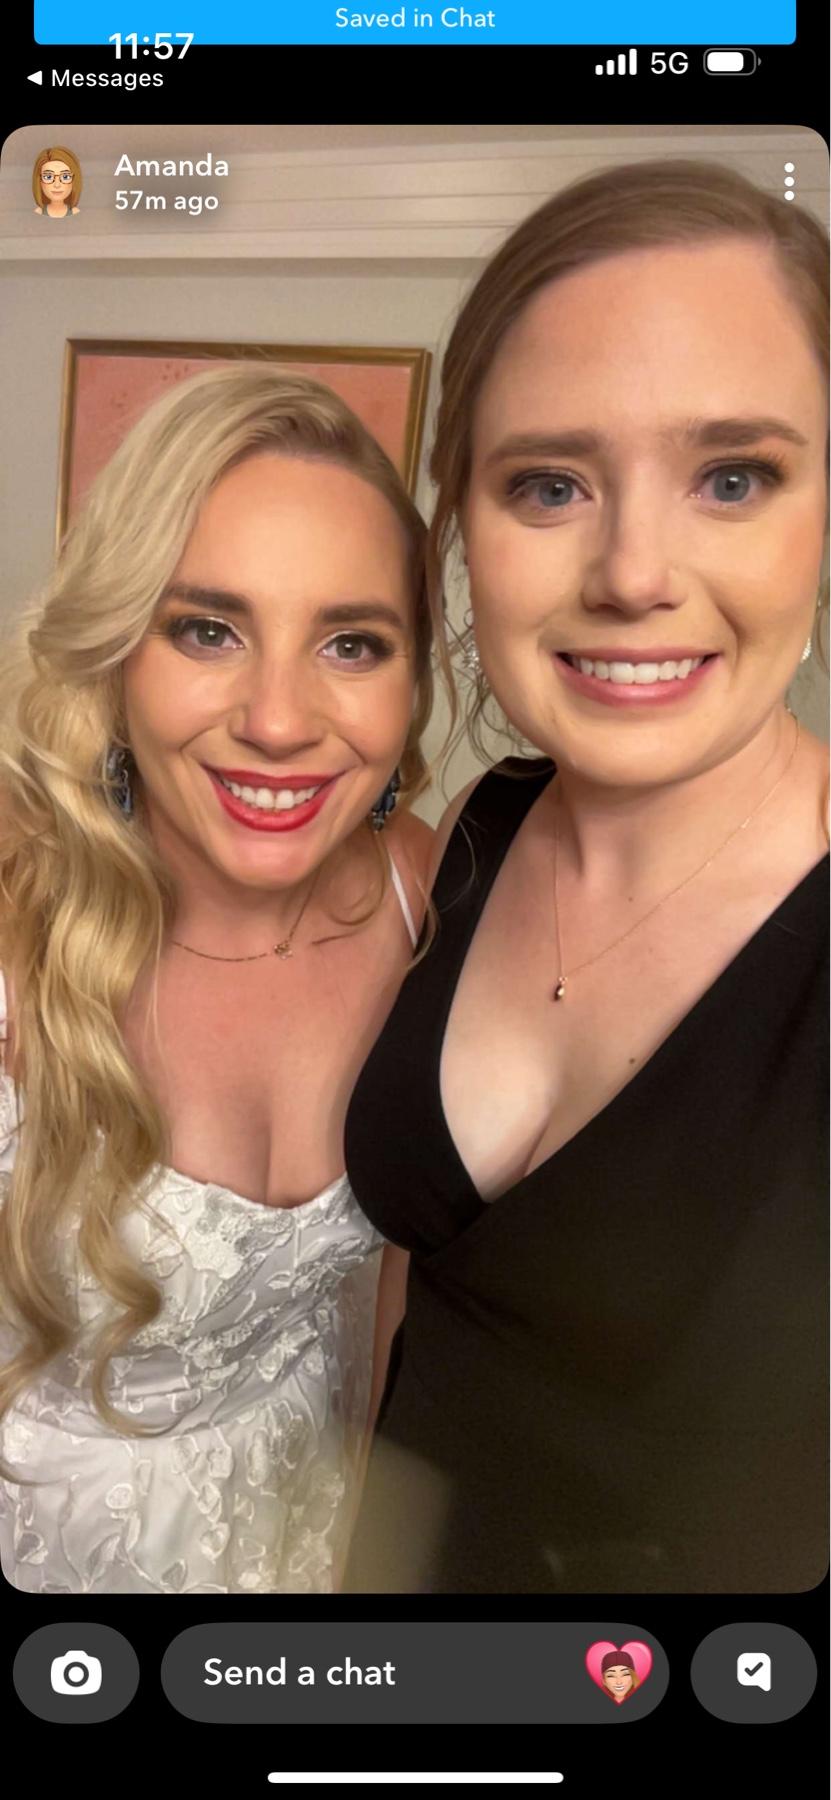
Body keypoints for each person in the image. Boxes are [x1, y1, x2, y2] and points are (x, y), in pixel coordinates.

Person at [344, 160, 829, 1593]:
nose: (630, 573)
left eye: (731, 478)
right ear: (462, 525)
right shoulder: (479, 828)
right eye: (548, 485)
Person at [0, 363, 438, 1594]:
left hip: (301, 1531)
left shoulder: (422, 889)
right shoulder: (15, 909)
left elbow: (409, 1280)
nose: (280, 720)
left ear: (412, 683)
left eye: (351, 642)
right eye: (207, 629)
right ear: (115, 656)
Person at [32, 146, 82, 216]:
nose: (57, 185)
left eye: (65, 177)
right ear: (40, 181)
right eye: (48, 177)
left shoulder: (75, 212)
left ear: (74, 180)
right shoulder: (38, 212)